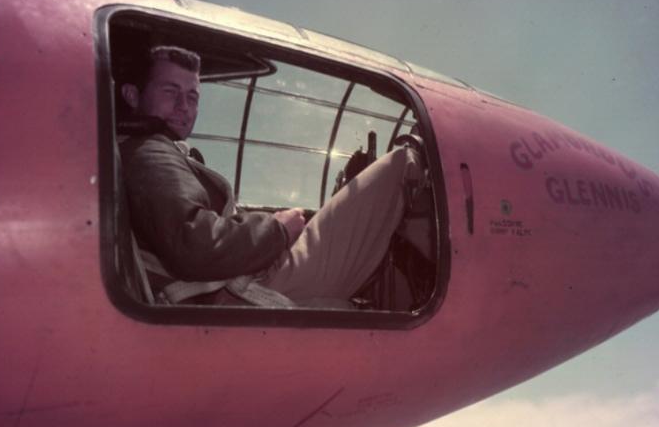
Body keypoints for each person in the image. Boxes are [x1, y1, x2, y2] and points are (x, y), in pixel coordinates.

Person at [119, 45, 429, 308]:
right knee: (402, 163)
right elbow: (196, 242)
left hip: (243, 278)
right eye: (170, 91)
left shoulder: (152, 150)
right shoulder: (150, 150)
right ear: (132, 95)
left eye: (192, 96)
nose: (183, 107)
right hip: (251, 284)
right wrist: (277, 229)